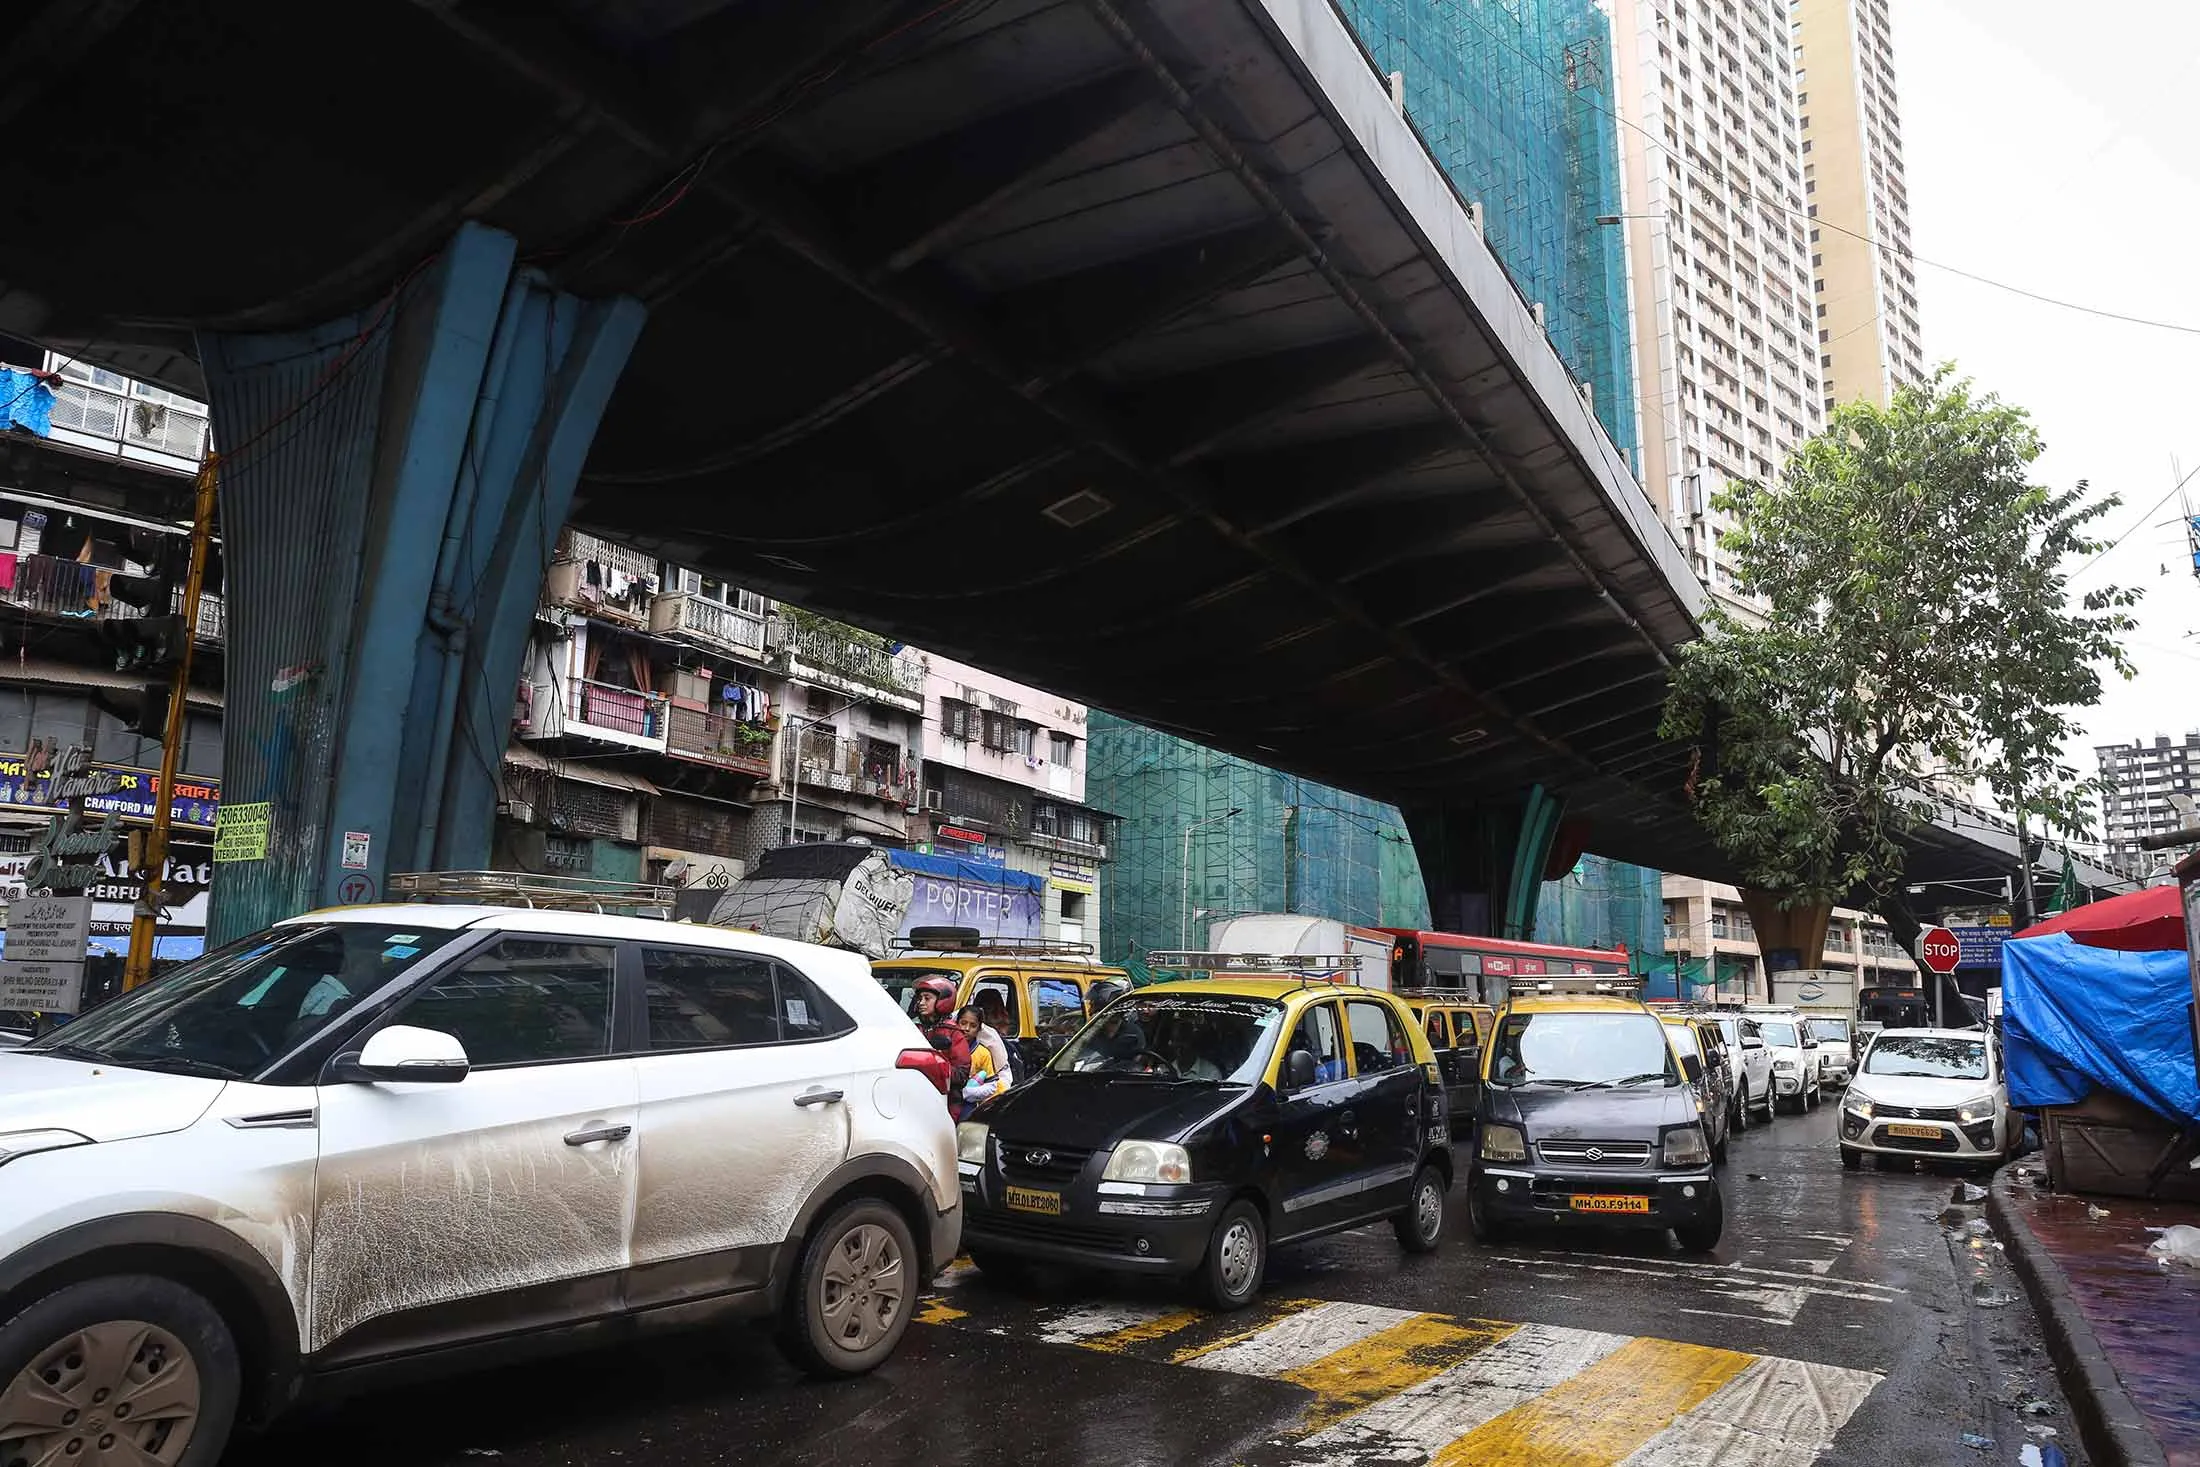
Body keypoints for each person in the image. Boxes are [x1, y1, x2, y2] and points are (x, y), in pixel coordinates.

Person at [914, 978, 969, 1090]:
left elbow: (962, 1074)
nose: (921, 1003)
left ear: (942, 1001)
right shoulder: (914, 1027)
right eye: (920, 999)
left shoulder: (953, 1032)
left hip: (945, 1095)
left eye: (927, 998)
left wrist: (934, 1065)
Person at [958, 1004, 1013, 1088]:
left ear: (979, 1029)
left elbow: (990, 1084)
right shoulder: (946, 1048)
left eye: (973, 1026)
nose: (967, 1028)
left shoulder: (983, 1054)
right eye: (963, 1023)